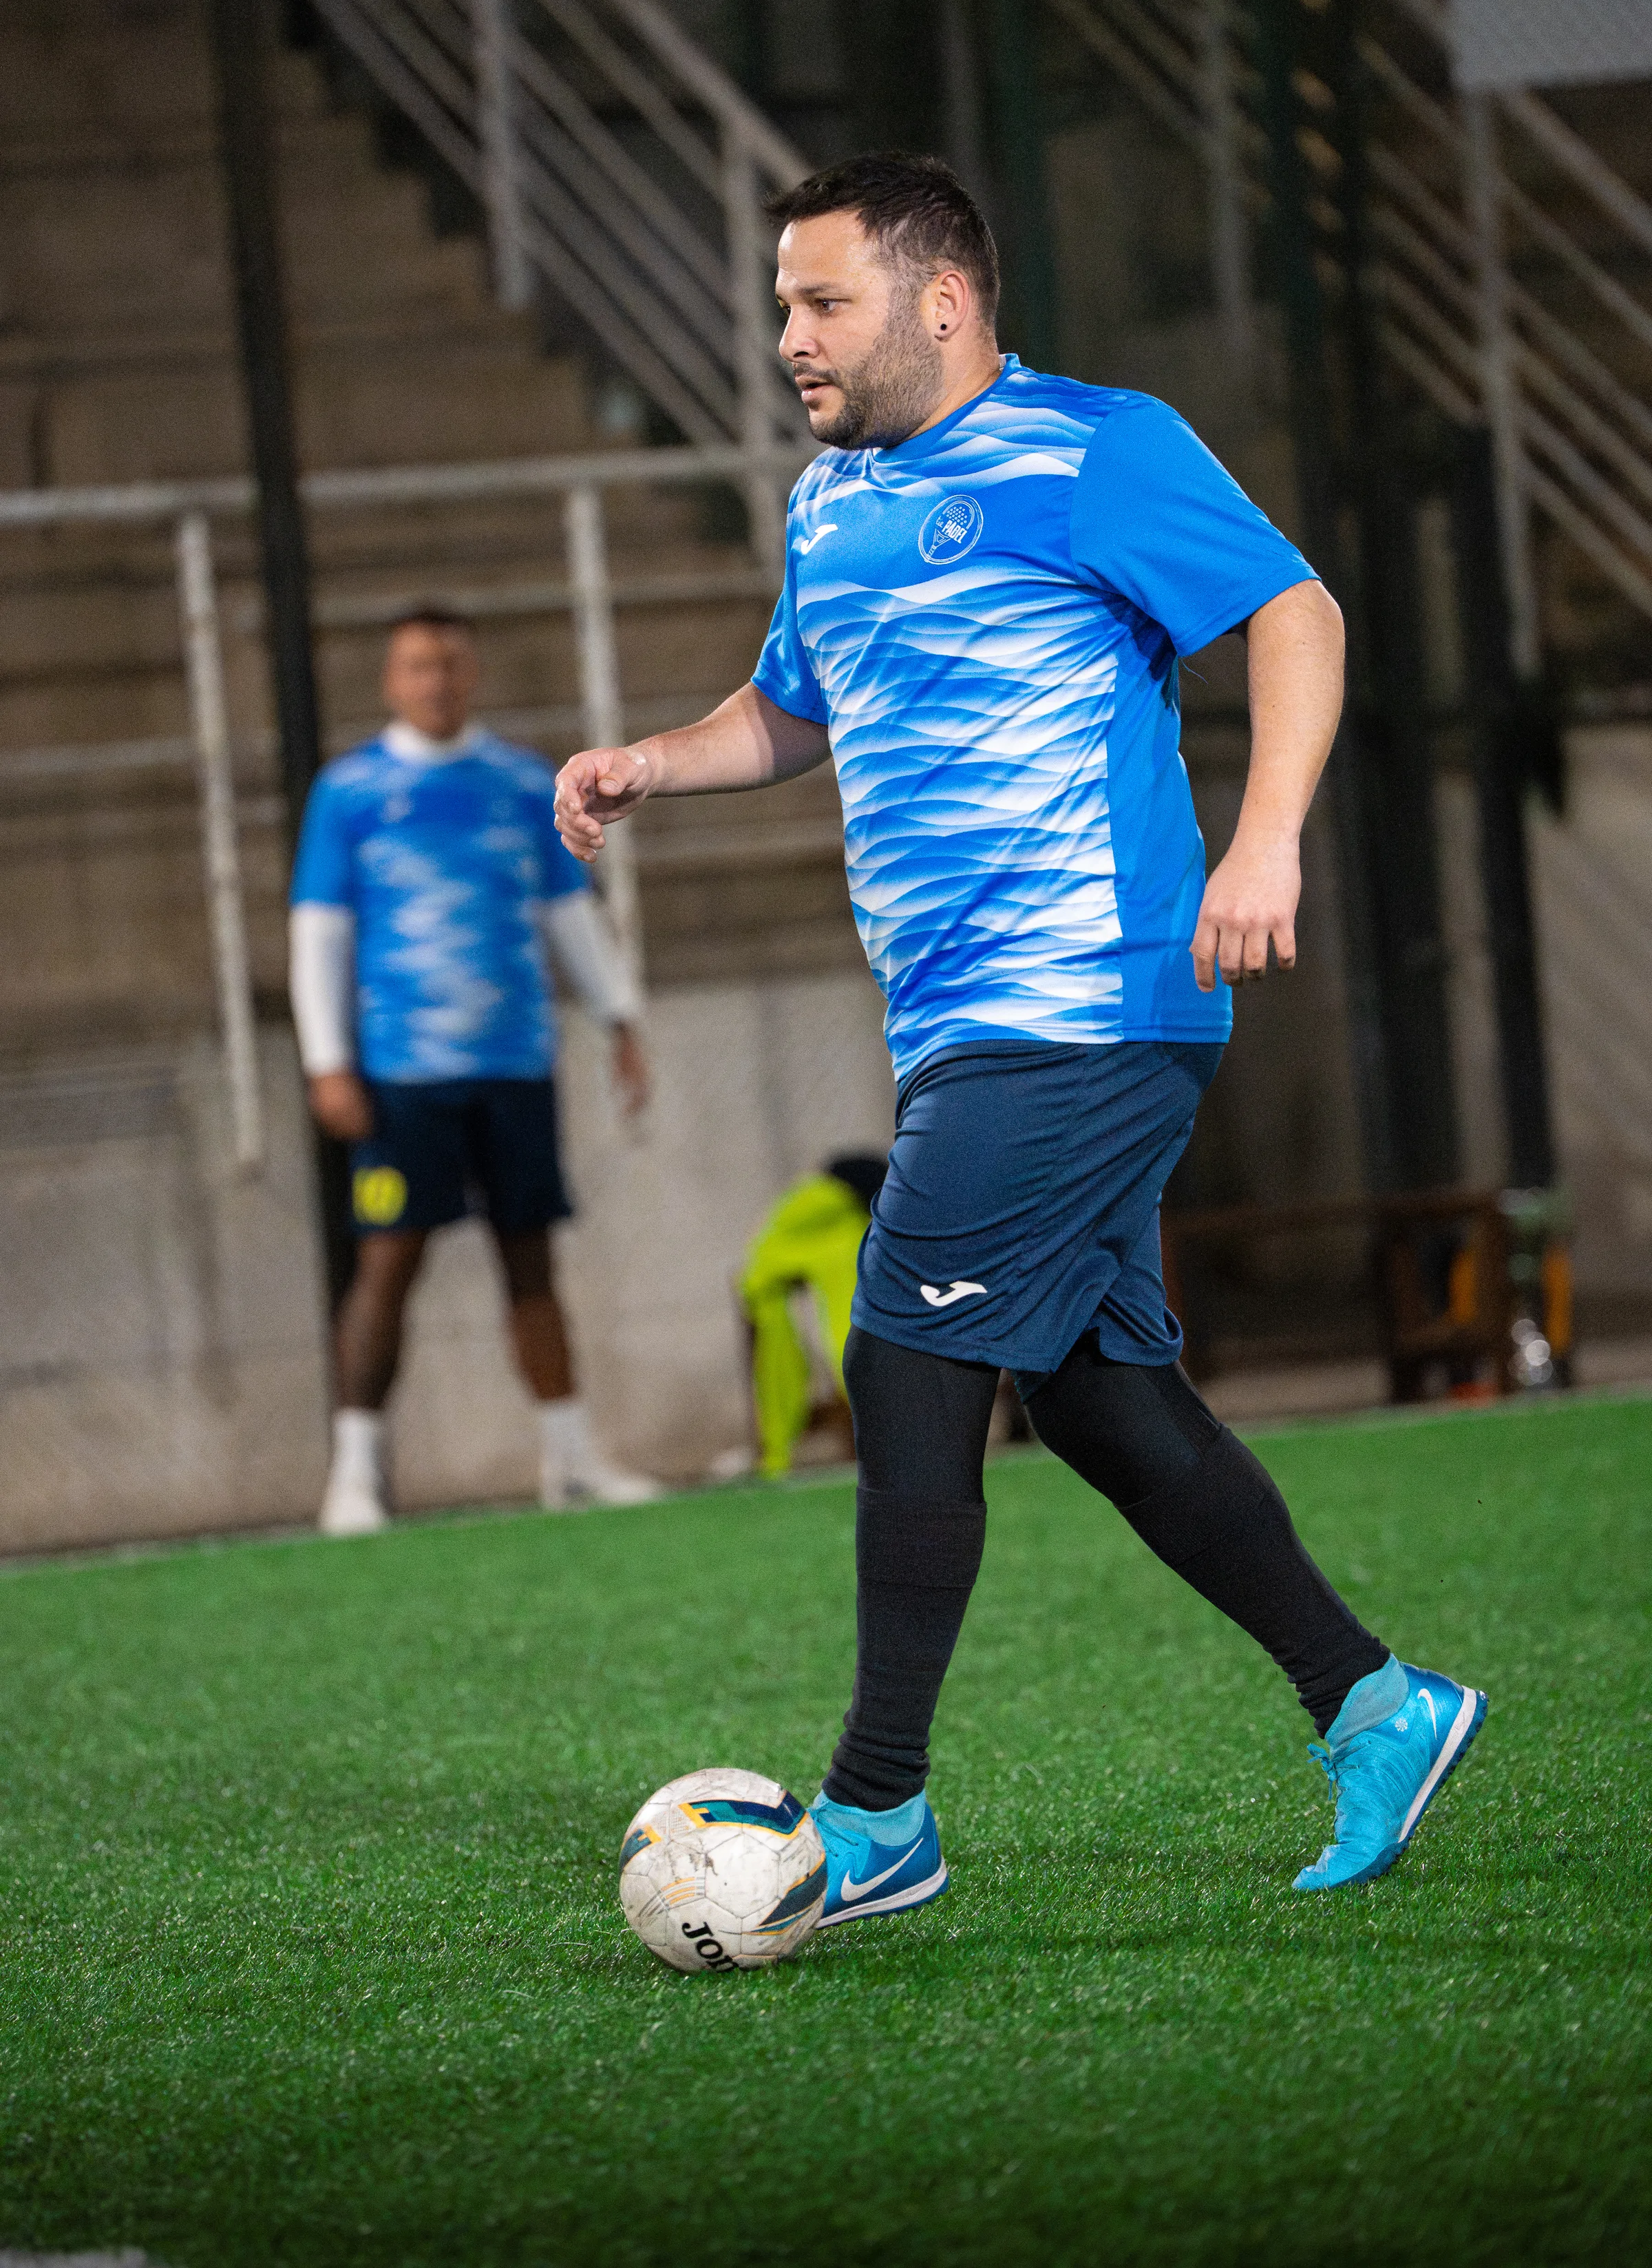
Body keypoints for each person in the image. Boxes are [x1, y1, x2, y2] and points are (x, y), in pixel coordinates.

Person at [554, 153, 1486, 1915]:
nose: (786, 339)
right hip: (963, 1023)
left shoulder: (1093, 443)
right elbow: (787, 707)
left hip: (1082, 994)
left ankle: (877, 1813)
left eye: (818, 301)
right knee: (1091, 1396)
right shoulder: (829, 503)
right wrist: (649, 765)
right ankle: (1372, 1701)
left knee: (904, 1344)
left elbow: (1293, 609)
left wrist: (1264, 832)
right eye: (779, 303)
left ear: (941, 301)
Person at [289, 606, 661, 1534]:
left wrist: (618, 1016)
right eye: (419, 666)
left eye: (452, 664)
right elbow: (319, 932)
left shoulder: (521, 781)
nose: (437, 681)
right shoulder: (351, 791)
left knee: (531, 1257)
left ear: (473, 674)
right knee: (388, 1260)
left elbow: (567, 910)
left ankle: (571, 1460)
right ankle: (355, 1476)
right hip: (402, 1075)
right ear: (391, 680)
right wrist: (327, 1060)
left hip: (515, 1063)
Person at [739, 1151, 886, 1478]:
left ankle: (779, 1452)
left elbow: (756, 1269)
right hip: (860, 1201)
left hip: (852, 1202)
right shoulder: (838, 1221)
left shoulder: (810, 1211)